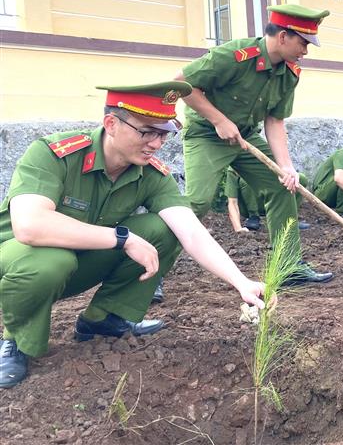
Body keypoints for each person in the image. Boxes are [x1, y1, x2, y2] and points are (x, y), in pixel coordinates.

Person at [0, 82, 271, 389]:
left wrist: (241, 282)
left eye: (164, 133)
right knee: (51, 261)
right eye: (147, 132)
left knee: (163, 228)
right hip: (19, 260)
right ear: (111, 124)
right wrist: (123, 238)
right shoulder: (54, 154)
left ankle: (104, 318)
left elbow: (191, 232)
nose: (156, 143)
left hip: (79, 263)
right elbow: (30, 226)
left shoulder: (151, 173)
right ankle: (17, 342)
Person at [176, 4, 333, 286]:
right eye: (303, 43)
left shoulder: (290, 72)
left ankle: (289, 265)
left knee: (282, 185)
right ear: (283, 37)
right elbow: (180, 83)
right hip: (206, 135)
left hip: (245, 135)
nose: (306, 51)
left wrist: (286, 167)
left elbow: (275, 121)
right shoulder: (234, 56)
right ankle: (146, 265)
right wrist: (219, 120)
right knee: (198, 202)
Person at [225, 167, 311, 234]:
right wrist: (238, 228)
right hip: (249, 204)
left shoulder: (266, 155)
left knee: (299, 178)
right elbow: (232, 201)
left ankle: (289, 218)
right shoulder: (234, 168)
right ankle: (254, 217)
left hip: (271, 199)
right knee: (247, 179)